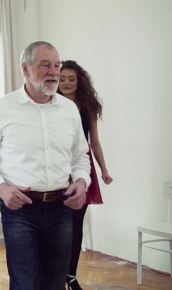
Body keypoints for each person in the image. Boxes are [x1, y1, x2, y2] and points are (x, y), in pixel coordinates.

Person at [0, 41, 91, 290]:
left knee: (55, 283)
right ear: (25, 69)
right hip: (20, 210)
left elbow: (80, 156)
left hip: (61, 208)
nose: (54, 72)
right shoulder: (1, 108)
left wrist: (81, 182)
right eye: (45, 65)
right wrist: (2, 189)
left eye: (57, 65)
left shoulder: (69, 110)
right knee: (25, 283)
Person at [58, 60, 113, 290]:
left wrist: (104, 170)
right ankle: (54, 275)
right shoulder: (52, 103)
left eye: (71, 79)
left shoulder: (87, 106)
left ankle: (70, 275)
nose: (66, 83)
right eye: (62, 79)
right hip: (58, 166)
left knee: (76, 225)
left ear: (79, 81)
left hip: (82, 167)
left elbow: (95, 143)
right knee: (57, 226)